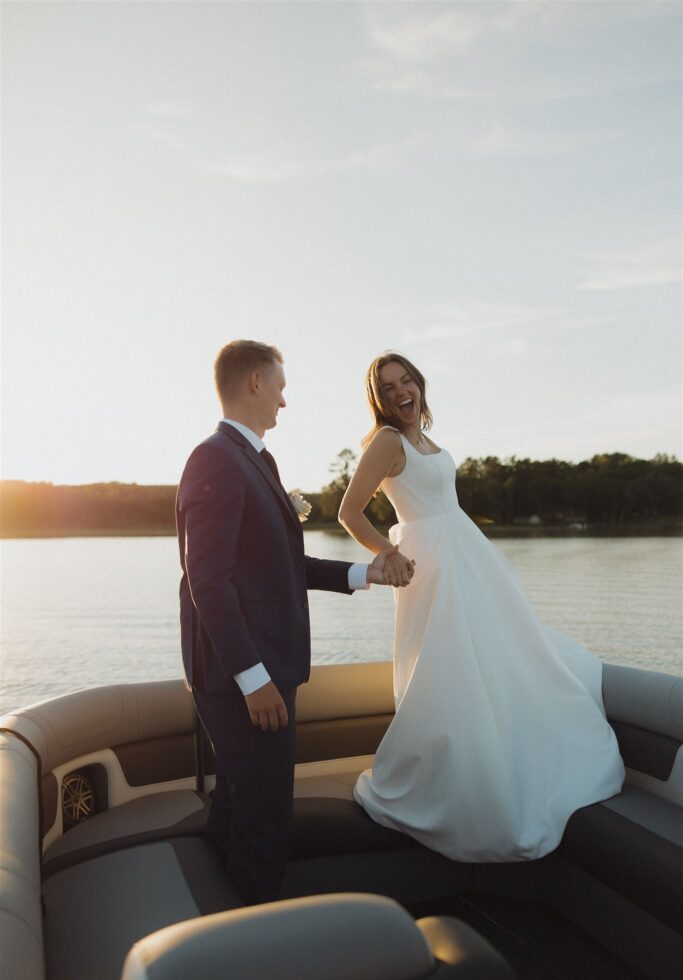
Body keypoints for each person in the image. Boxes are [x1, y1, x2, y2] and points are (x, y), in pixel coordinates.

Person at [338, 352, 624, 861]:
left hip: (465, 558)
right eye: (388, 388)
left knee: (501, 656)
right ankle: (450, 785)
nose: (401, 391)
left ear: (419, 385)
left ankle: (506, 762)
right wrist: (387, 554)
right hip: (432, 567)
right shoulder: (387, 441)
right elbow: (348, 512)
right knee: (446, 670)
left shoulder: (424, 438)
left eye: (407, 381)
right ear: (379, 400)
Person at [176, 339, 412, 905]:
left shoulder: (256, 460)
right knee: (265, 821)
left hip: (264, 670)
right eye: (280, 385)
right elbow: (208, 581)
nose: (285, 399)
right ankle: (260, 958)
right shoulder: (214, 458)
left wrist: (364, 573)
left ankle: (214, 916)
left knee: (237, 804)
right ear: (255, 383)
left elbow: (283, 564)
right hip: (247, 680)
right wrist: (253, 679)